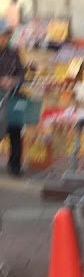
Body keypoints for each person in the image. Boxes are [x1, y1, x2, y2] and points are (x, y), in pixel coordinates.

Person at [0, 22, 25, 176]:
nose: (6, 39)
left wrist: (15, 80)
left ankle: (15, 165)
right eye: (3, 35)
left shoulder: (13, 53)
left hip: (13, 97)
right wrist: (2, 81)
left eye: (7, 36)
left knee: (15, 130)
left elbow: (21, 73)